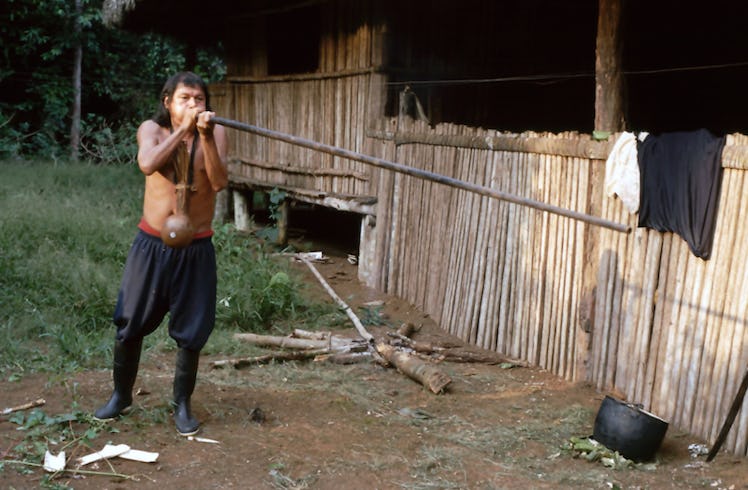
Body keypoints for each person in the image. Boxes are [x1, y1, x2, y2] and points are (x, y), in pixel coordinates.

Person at [94, 71, 228, 436]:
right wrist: (185, 130)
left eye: (199, 99)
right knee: (130, 322)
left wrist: (203, 137)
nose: (193, 105)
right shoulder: (151, 130)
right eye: (185, 98)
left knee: (192, 329)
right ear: (167, 101)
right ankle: (121, 396)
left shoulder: (214, 133)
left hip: (196, 247)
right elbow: (148, 164)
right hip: (151, 245)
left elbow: (218, 182)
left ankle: (182, 404)